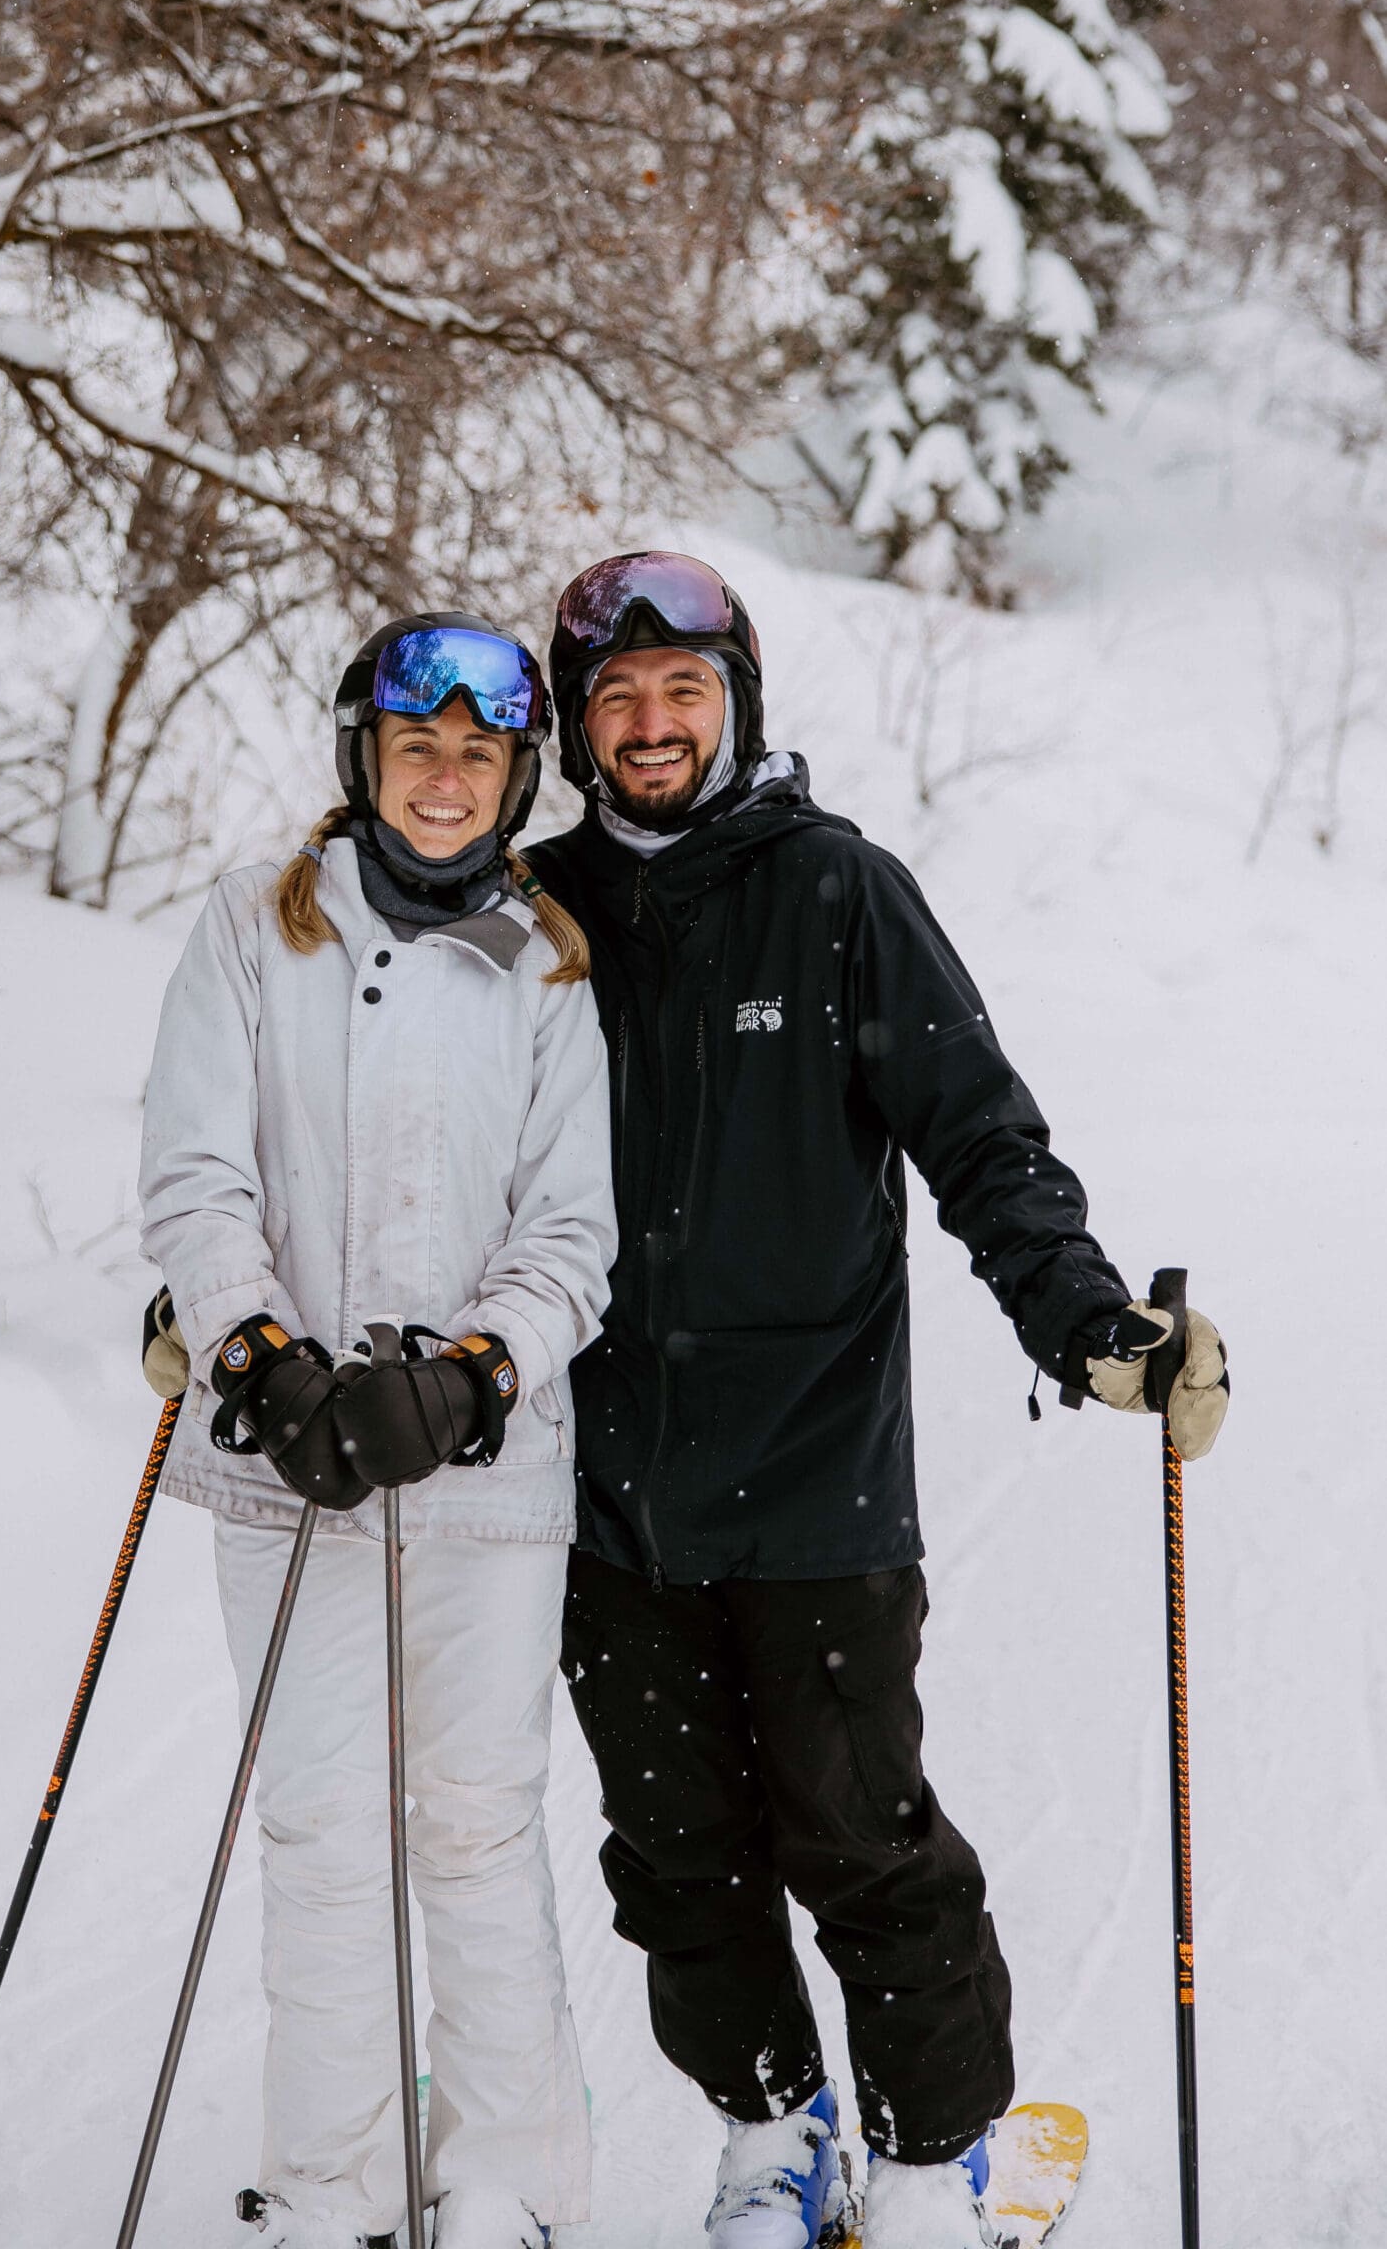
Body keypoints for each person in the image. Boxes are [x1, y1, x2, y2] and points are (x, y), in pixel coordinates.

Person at [526, 552, 1230, 2249]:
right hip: (602, 1484)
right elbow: (392, 1118)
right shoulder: (529, 909)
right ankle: (772, 2135)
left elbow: (979, 1136)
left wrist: (1086, 1322)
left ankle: (930, 2159)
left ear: (734, 701)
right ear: (572, 724)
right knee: (673, 1853)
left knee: (859, 1835)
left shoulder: (838, 889)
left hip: (816, 1474)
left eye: (680, 691)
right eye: (614, 696)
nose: (648, 724)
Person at [138, 616, 616, 2249]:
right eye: (417, 746)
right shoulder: (250, 930)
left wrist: (475, 1373)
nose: (444, 776)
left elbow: (573, 1235)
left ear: (513, 777)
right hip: (283, 1475)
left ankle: (507, 2184)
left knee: (475, 1830)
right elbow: (194, 1174)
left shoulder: (551, 962)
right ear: (363, 759)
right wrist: (253, 1352)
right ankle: (330, 2184)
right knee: (320, 1830)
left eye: (478, 754)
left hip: (484, 1488)